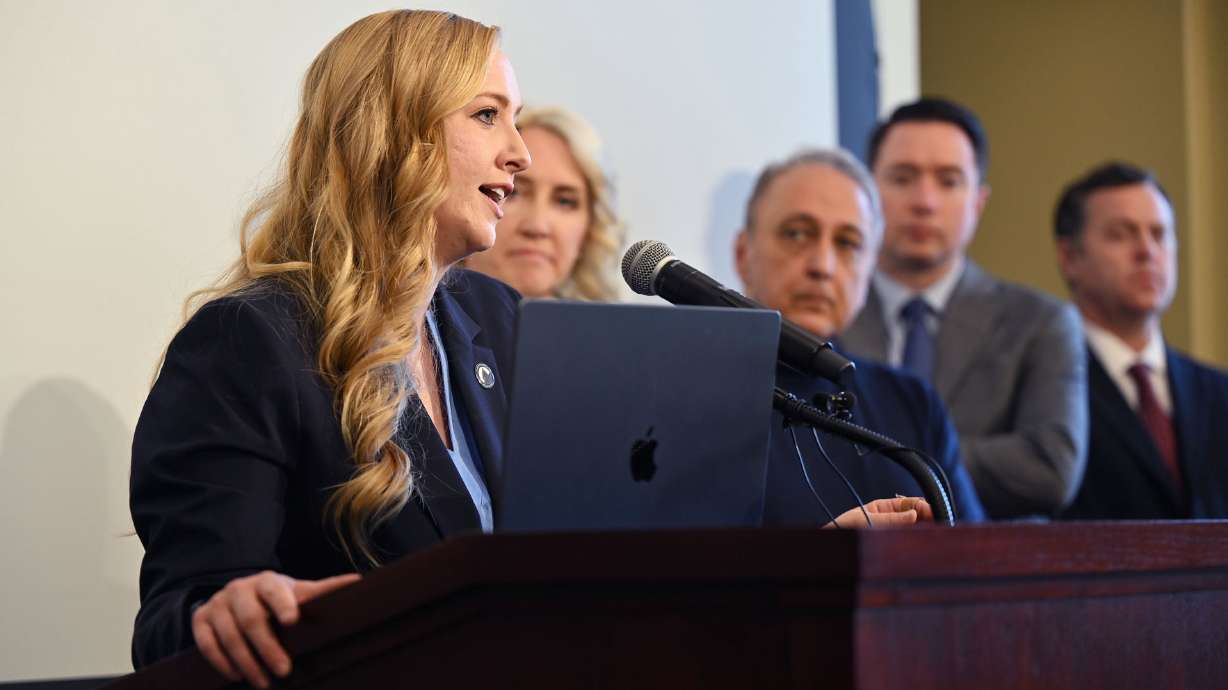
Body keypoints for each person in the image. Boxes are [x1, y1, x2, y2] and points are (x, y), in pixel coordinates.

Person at [129, 10, 929, 687]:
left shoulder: (497, 322)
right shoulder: (250, 343)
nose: (519, 152)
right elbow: (173, 624)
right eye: (487, 116)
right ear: (391, 131)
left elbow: (606, 571)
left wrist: (803, 567)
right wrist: (223, 610)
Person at [839, 97, 1087, 519]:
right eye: (902, 178)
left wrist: (902, 453)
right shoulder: (828, 311)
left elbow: (1050, 469)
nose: (925, 201)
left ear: (978, 202)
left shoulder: (1040, 322)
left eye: (949, 181)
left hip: (996, 571)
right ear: (869, 193)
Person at [734, 147, 986, 525]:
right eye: (797, 234)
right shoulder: (693, 399)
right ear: (742, 254)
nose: (822, 265)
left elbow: (977, 562)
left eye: (848, 243)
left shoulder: (911, 402)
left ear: (870, 268)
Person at [1054, 162, 1228, 519]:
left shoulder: (1219, 392)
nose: (1147, 251)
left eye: (1159, 234)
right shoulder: (1048, 387)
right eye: (1121, 234)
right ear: (1070, 257)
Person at [464, 106, 624, 300]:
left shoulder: (609, 329)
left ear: (590, 231)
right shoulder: (421, 323)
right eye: (513, 192)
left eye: (565, 201)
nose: (537, 226)